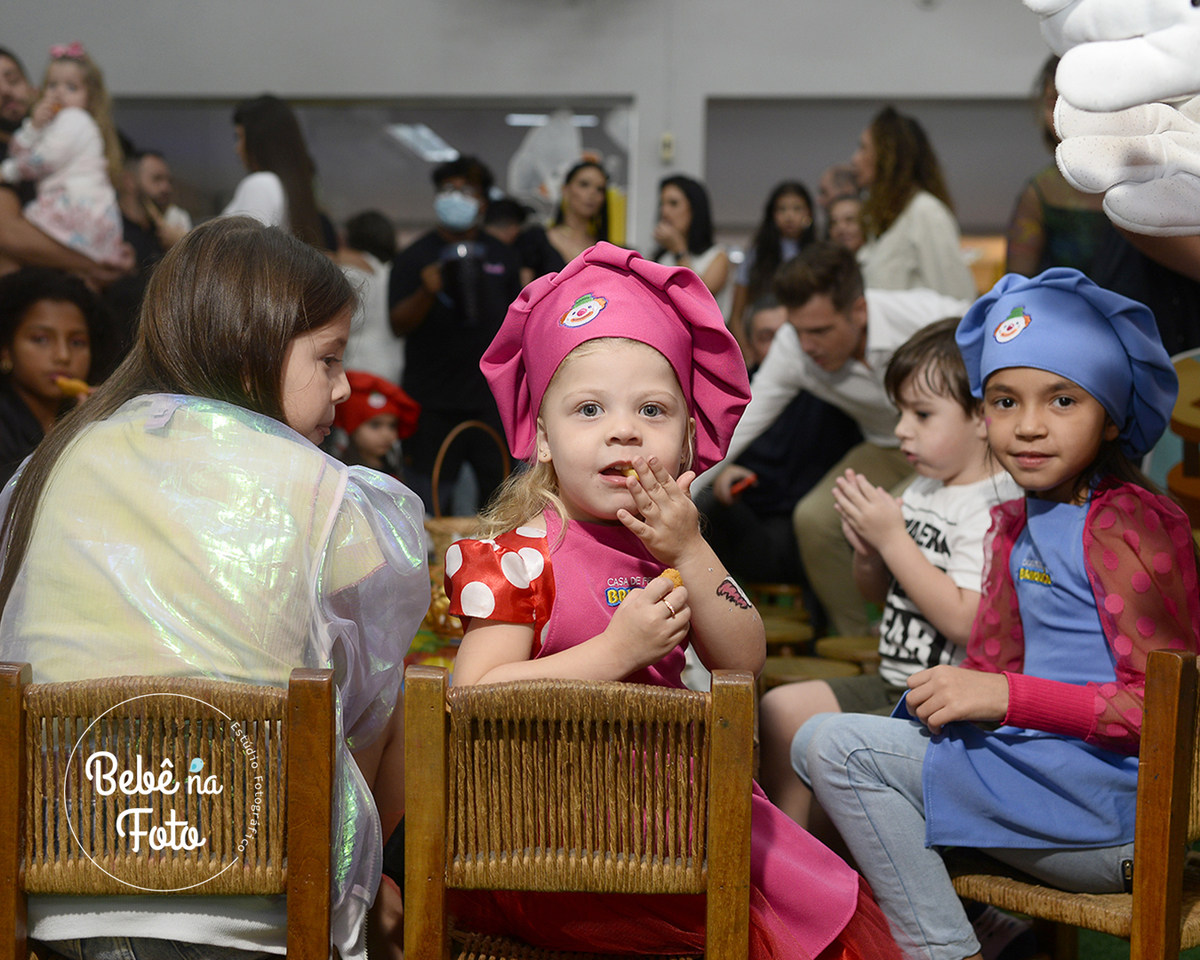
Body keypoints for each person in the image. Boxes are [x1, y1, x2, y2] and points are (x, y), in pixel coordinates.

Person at [441, 241, 903, 960]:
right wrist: (614, 653)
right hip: (556, 832)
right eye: (589, 408)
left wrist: (690, 551)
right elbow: (471, 696)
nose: (622, 428)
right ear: (544, 438)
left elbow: (743, 660)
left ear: (688, 441)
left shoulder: (672, 547)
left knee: (812, 899)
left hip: (676, 814)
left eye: (651, 409)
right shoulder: (520, 557)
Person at [0, 217, 428, 960]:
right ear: (251, 345)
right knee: (389, 701)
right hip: (245, 902)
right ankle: (371, 904)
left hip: (57, 886)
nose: (344, 386)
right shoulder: (329, 494)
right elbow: (362, 715)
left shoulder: (52, 463)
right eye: (329, 359)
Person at [795, 269, 1199, 960]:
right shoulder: (1016, 522)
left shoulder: (1125, 521)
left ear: (1110, 416)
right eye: (1005, 401)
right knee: (819, 742)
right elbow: (993, 662)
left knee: (839, 748)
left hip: (1114, 820)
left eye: (1063, 400)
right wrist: (961, 696)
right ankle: (966, 936)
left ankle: (946, 949)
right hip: (1035, 786)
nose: (1029, 425)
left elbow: (1161, 709)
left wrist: (1002, 696)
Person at [758, 318, 1020, 829]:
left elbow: (967, 621)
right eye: (901, 412)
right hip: (894, 682)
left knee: (824, 750)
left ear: (981, 416)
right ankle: (791, 853)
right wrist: (869, 554)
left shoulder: (994, 504)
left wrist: (893, 541)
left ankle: (825, 857)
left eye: (922, 414)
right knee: (778, 710)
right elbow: (879, 594)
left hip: (948, 709)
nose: (901, 429)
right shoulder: (923, 488)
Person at [701, 242, 972, 637]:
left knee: (903, 516)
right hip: (886, 446)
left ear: (859, 311)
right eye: (799, 330)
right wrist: (677, 488)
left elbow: (995, 321)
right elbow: (740, 424)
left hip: (955, 449)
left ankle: (918, 642)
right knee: (814, 520)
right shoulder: (794, 349)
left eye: (821, 331)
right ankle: (860, 643)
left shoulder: (920, 316)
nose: (807, 345)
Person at [699, 295, 860, 596]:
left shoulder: (828, 387)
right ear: (749, 348)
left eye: (788, 335)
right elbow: (714, 450)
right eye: (766, 337)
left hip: (809, 519)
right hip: (748, 517)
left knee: (809, 525)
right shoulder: (736, 396)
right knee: (703, 511)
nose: (780, 347)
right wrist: (724, 473)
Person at [387, 155, 522, 513]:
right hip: (431, 402)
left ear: (483, 202)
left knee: (502, 500)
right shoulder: (414, 256)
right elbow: (398, 324)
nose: (456, 197)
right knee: (427, 504)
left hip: (491, 401)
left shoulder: (502, 256)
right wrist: (425, 292)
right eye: (448, 189)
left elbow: (519, 323)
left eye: (467, 190)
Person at [0, 42, 123, 267]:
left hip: (76, 202)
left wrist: (9, 171)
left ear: (89, 97)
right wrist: (33, 127)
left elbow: (44, 159)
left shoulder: (74, 119)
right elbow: (18, 150)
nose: (59, 92)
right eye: (52, 85)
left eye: (71, 87)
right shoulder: (52, 124)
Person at [1006, 56, 1114, 280]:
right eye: (1051, 103)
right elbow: (1017, 285)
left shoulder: (1152, 177)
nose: (1061, 117)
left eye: (1074, 103)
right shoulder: (1039, 192)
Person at [852, 106, 976, 301]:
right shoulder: (883, 221)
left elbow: (958, 299)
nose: (854, 159)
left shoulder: (926, 212)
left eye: (863, 148)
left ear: (888, 156)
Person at [0, 266, 103, 486]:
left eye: (77, 342)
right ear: (6, 350)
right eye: (41, 339)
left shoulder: (84, 414)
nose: (63, 356)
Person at [221, 94, 323, 248]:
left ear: (260, 142)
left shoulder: (261, 184)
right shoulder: (292, 189)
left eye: (240, 137)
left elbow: (243, 252)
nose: (237, 148)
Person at [728, 181, 817, 355]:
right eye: (782, 209)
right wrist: (747, 354)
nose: (789, 216)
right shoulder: (757, 254)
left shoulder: (818, 254)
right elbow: (736, 316)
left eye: (797, 208)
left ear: (809, 213)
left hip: (806, 344)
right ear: (772, 215)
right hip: (764, 344)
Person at [338, 210, 402, 382]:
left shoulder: (352, 271)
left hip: (362, 367)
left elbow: (352, 321)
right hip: (394, 363)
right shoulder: (392, 269)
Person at [329, 369, 419, 478]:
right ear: (352, 427)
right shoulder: (339, 475)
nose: (386, 434)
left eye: (392, 426)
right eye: (375, 425)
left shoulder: (398, 473)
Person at [652, 174, 729, 298]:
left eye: (673, 203)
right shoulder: (661, 256)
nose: (664, 212)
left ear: (694, 209)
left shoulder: (717, 256)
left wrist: (679, 250)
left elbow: (699, 297)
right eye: (662, 204)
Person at [544, 158, 609, 267]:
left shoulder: (606, 251)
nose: (592, 193)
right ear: (565, 189)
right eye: (584, 184)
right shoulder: (536, 240)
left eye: (600, 189)